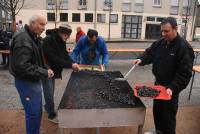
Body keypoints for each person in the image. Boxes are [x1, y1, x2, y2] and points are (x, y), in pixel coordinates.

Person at [133, 17, 194, 134]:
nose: (163, 34)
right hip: (158, 85)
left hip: (171, 89)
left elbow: (185, 74)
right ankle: (158, 131)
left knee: (168, 116)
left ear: (175, 29)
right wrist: (141, 59)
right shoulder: (160, 43)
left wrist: (173, 87)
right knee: (158, 111)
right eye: (162, 31)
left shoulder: (184, 48)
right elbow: (149, 53)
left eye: (166, 31)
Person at [9, 15, 54, 134]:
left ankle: (35, 131)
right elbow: (22, 67)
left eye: (45, 25)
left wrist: (46, 69)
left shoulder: (33, 36)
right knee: (33, 113)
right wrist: (44, 72)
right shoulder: (23, 38)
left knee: (36, 111)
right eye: (41, 24)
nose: (44, 28)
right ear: (32, 23)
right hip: (26, 82)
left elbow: (36, 59)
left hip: (33, 79)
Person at [42, 24, 80, 123]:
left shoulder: (61, 41)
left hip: (54, 71)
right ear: (62, 33)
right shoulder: (48, 40)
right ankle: (51, 115)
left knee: (51, 91)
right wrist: (70, 65)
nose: (68, 37)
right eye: (68, 35)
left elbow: (64, 54)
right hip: (46, 69)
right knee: (49, 92)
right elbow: (53, 58)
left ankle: (47, 107)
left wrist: (72, 62)